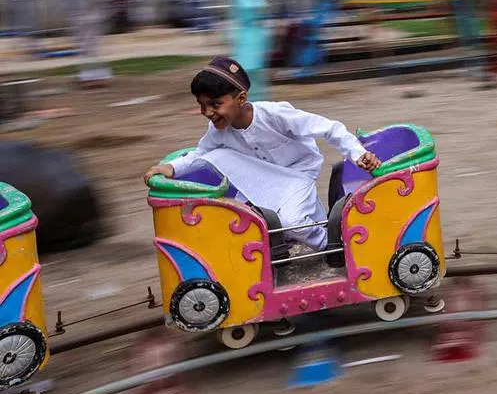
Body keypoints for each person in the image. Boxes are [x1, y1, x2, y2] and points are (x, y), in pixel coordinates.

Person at [142, 57, 381, 252]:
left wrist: (358, 154)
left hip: (298, 177)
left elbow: (330, 129)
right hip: (263, 183)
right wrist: (171, 169)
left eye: (215, 104)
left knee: (293, 225)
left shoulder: (275, 115)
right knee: (217, 163)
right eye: (202, 105)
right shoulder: (217, 131)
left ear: (241, 98)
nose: (207, 112)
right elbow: (201, 153)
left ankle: (335, 249)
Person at [68, 0, 119, 86]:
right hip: (91, 22)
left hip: (80, 22)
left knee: (87, 49)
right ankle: (93, 75)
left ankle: (90, 75)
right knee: (89, 49)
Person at [228, 0, 272, 101]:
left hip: (255, 32)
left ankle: (259, 97)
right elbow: (236, 14)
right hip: (243, 33)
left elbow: (261, 9)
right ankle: (246, 95)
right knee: (243, 67)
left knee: (256, 67)